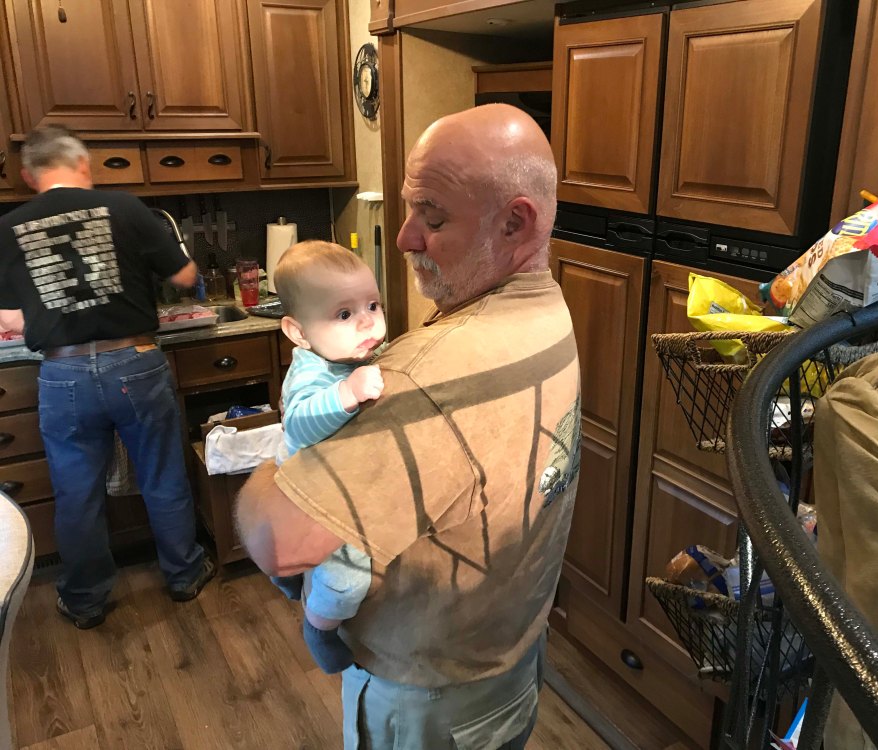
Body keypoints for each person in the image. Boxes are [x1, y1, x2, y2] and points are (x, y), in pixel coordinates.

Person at [236, 102, 581, 749]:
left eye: (433, 217)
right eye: (408, 210)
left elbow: (279, 541)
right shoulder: (549, 309)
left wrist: (270, 462)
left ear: (516, 223)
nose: (403, 238)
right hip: (509, 660)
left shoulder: (426, 375)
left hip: (429, 703)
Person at [0, 126, 215, 630]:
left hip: (63, 372)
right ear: (83, 164)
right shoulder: (125, 207)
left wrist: (47, 315)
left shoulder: (8, 227)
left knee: (77, 493)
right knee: (162, 475)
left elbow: (9, 317)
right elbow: (185, 277)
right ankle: (184, 575)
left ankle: (85, 600)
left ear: (29, 175)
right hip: (134, 361)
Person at [270, 240, 387, 673]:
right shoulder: (312, 371)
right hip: (315, 490)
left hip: (334, 480)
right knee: (349, 576)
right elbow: (298, 424)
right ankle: (319, 627)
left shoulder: (353, 354)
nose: (367, 322)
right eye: (343, 314)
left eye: (372, 305)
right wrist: (346, 393)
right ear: (298, 332)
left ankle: (285, 571)